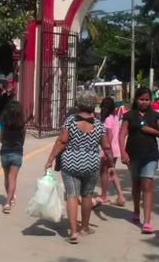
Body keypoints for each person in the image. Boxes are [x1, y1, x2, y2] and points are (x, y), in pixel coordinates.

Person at [44, 90, 115, 244]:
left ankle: (73, 232)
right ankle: (84, 228)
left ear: (78, 105)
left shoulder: (70, 120)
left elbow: (62, 141)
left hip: (70, 163)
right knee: (87, 195)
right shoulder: (98, 124)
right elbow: (106, 146)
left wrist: (50, 160)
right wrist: (111, 164)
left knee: (72, 195)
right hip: (91, 163)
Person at [119, 86, 159, 234]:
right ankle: (136, 211)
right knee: (136, 184)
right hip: (133, 155)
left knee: (147, 186)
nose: (144, 102)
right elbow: (122, 135)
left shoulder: (155, 116)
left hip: (150, 155)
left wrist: (152, 131)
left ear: (151, 101)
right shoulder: (129, 116)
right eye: (141, 99)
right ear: (136, 100)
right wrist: (123, 152)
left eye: (147, 99)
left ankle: (147, 221)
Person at [96, 97, 126, 206]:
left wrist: (106, 151)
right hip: (115, 148)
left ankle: (103, 196)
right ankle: (120, 196)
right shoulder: (114, 116)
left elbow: (109, 135)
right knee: (111, 171)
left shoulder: (107, 118)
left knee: (104, 172)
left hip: (109, 148)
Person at [0, 100, 25, 214]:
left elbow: (1, 139)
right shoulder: (22, 125)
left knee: (6, 178)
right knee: (12, 178)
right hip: (17, 152)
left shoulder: (3, 124)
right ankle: (8, 203)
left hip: (5, 151)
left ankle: (9, 198)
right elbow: (22, 141)